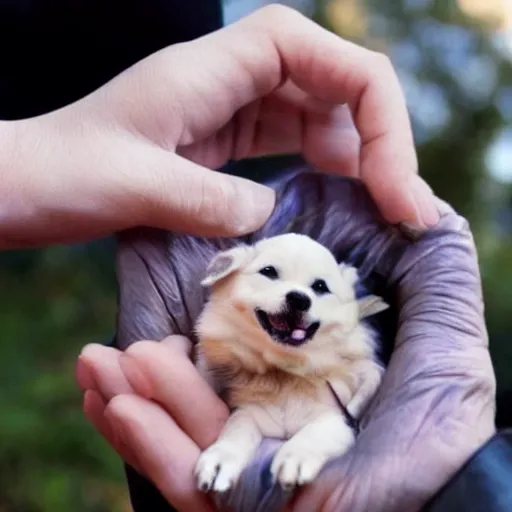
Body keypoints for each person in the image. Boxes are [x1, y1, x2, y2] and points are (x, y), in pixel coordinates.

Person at [0, 2, 503, 512]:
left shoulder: (355, 362)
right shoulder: (224, 332)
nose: (298, 297)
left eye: (319, 290)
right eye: (270, 273)